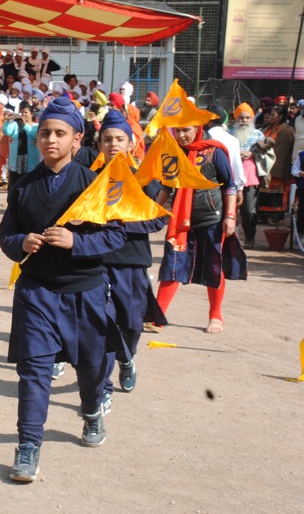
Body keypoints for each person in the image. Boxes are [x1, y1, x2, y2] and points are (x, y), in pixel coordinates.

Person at [0, 97, 127, 482]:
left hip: (85, 291)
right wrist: (21, 242)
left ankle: (91, 411)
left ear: (77, 139)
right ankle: (28, 445)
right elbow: (6, 235)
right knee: (34, 370)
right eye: (44, 133)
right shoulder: (23, 186)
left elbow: (116, 235)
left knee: (90, 366)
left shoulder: (94, 184)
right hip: (36, 292)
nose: (50, 139)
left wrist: (77, 242)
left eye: (59, 133)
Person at [96, 110, 167, 412]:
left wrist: (120, 224)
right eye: (107, 139)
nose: (113, 144)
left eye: (119, 139)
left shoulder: (144, 177)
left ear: (130, 143)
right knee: (102, 325)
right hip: (98, 262)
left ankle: (127, 358)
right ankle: (103, 388)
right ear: (100, 143)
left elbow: (158, 218)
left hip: (132, 262)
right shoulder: (90, 177)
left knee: (131, 324)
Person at [154, 121, 246, 334]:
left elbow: (229, 185)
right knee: (172, 265)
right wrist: (152, 210)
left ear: (198, 129)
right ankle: (157, 316)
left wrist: (230, 216)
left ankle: (216, 316)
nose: (181, 135)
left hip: (212, 219)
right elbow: (167, 186)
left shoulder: (214, 152)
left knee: (214, 267)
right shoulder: (174, 153)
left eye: (186, 129)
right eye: (177, 130)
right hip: (181, 222)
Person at [231, 103, 266, 248]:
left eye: (247, 118)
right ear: (236, 119)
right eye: (241, 118)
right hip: (232, 175)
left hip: (251, 176)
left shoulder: (259, 135)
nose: (244, 120)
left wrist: (252, 154)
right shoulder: (229, 133)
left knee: (250, 211)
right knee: (231, 209)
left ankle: (250, 238)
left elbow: (266, 154)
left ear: (252, 119)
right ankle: (232, 239)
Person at [3, 102, 40, 187]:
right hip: (16, 156)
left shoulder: (36, 126)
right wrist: (6, 121)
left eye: (26, 112)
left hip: (30, 157)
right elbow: (7, 132)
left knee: (29, 182)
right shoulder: (15, 124)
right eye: (22, 112)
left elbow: (36, 135)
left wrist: (25, 125)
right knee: (15, 180)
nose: (23, 114)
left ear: (31, 114)